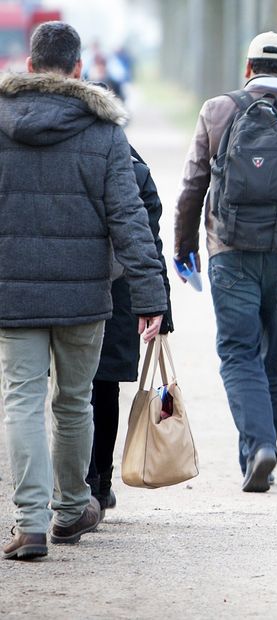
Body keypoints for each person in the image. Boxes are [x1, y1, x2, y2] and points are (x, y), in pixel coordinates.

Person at [0, 21, 167, 561]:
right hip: (83, 299)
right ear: (78, 69)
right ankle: (72, 509)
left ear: (29, 65)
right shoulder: (104, 132)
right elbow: (129, 217)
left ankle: (29, 526)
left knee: (22, 401)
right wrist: (150, 297)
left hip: (13, 294)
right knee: (73, 403)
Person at [174, 31, 277, 493]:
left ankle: (258, 447)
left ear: (247, 69)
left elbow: (192, 185)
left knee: (239, 352)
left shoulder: (216, 110)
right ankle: (264, 450)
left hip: (231, 252)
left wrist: (184, 246)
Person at [86, 146, 175, 513]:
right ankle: (100, 485)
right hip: (119, 293)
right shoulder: (132, 169)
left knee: (68, 391)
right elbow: (147, 242)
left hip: (63, 291)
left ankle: (78, 483)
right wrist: (159, 303)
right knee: (104, 388)